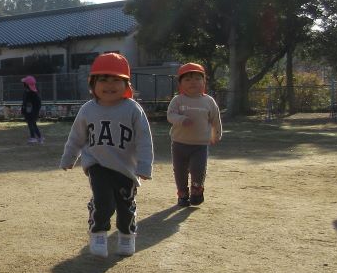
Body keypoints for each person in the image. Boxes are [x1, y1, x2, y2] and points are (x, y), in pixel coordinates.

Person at [59, 52, 154, 258]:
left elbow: (144, 141)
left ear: (127, 85)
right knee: (104, 202)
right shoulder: (87, 110)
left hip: (126, 168)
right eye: (103, 79)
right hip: (97, 164)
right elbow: (76, 137)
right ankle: (98, 232)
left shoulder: (133, 110)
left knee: (125, 206)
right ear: (92, 83)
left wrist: (145, 166)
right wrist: (69, 158)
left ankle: (127, 236)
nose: (109, 85)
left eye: (116, 80)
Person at [166, 62, 223, 207]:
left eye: (197, 79)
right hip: (179, 143)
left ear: (204, 82)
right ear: (180, 83)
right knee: (180, 171)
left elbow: (215, 119)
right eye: (187, 79)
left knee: (198, 169)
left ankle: (197, 191)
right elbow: (170, 115)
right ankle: (182, 195)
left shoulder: (208, 101)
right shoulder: (177, 100)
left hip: (200, 145)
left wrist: (217, 133)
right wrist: (181, 119)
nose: (193, 82)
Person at [21, 75, 43, 143]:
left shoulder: (31, 93)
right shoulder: (32, 93)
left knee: (31, 123)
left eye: (24, 83)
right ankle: (39, 137)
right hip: (32, 111)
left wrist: (27, 111)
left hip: (31, 112)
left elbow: (29, 103)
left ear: (27, 84)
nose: (23, 84)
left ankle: (33, 137)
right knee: (33, 123)